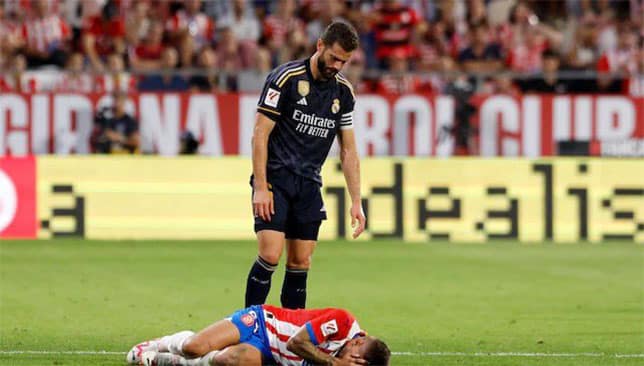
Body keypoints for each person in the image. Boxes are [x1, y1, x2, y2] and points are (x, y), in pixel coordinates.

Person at [246, 21, 366, 311]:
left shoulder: (343, 93)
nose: (337, 65)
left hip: (309, 183)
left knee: (301, 262)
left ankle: (289, 337)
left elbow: (348, 151)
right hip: (276, 178)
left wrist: (357, 202)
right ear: (320, 46)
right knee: (271, 254)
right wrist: (261, 187)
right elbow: (260, 133)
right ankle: (247, 326)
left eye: (344, 61)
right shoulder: (286, 78)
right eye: (334, 57)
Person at [126, 304, 390, 366]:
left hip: (269, 356)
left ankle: (170, 361)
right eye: (352, 357)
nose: (349, 363)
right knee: (196, 346)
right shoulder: (341, 321)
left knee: (227, 360)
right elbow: (296, 342)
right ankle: (163, 343)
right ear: (358, 341)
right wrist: (334, 362)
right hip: (262, 323)